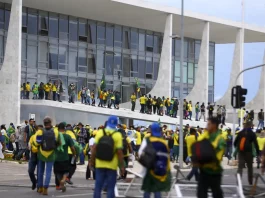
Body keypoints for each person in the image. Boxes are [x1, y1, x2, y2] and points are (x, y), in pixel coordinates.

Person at [90, 116, 125, 198]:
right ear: (116, 124)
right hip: (112, 165)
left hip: (99, 163)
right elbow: (119, 152)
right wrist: (122, 166)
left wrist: (91, 161)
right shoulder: (118, 135)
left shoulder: (100, 132)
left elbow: (94, 148)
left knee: (98, 187)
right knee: (110, 188)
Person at [139, 122, 171, 198]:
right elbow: (167, 157)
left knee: (147, 189)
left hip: (149, 168)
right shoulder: (163, 142)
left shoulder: (147, 140)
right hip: (160, 169)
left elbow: (140, 153)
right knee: (157, 190)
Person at [197, 117, 225, 198]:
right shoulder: (205, 136)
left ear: (214, 125)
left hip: (214, 172)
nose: (206, 126)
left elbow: (218, 157)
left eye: (208, 124)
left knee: (217, 194)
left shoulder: (220, 139)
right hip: (203, 171)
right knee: (201, 194)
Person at [34, 117, 60, 195]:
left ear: (44, 123)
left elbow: (37, 143)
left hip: (41, 153)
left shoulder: (40, 131)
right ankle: (46, 189)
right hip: (51, 154)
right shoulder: (55, 131)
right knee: (48, 171)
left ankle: (40, 187)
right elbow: (58, 142)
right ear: (50, 122)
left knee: (40, 171)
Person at [234, 121, 259, 185]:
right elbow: (256, 144)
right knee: (250, 167)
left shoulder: (240, 132)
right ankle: (250, 182)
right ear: (250, 125)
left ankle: (238, 182)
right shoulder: (252, 133)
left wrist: (237, 148)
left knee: (240, 167)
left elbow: (235, 142)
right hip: (249, 152)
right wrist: (258, 153)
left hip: (241, 152)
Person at [54, 123, 76, 192]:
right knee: (66, 171)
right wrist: (74, 154)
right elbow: (72, 147)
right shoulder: (67, 136)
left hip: (56, 158)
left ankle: (60, 182)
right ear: (64, 129)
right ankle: (63, 180)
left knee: (57, 172)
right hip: (65, 157)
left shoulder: (55, 137)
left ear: (58, 129)